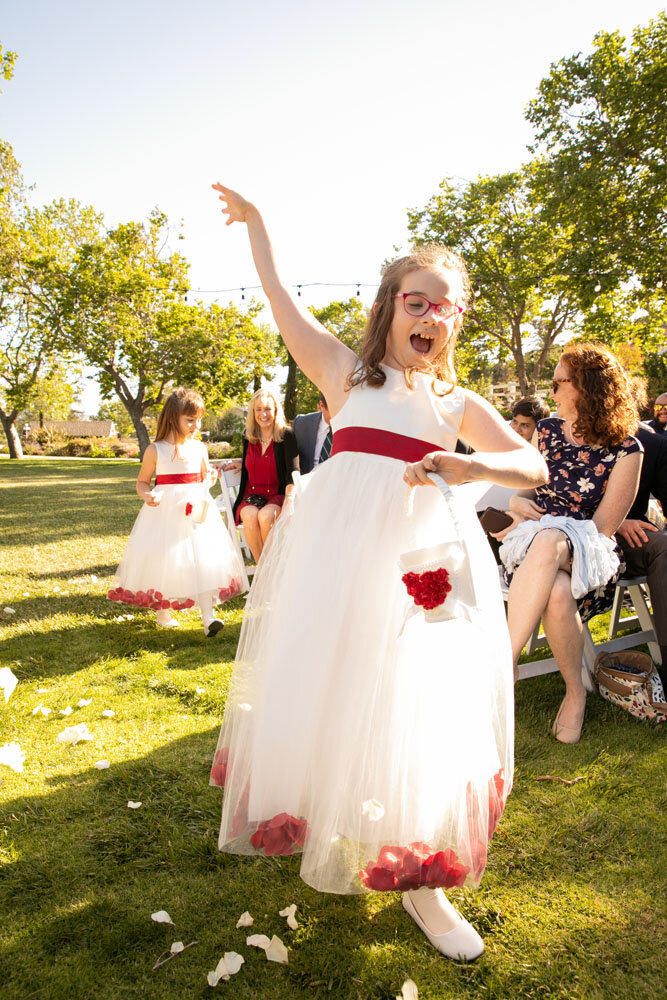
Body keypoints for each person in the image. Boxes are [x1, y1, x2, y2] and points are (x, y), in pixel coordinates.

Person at [208, 184, 547, 961]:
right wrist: (260, 226)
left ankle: (419, 876)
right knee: (337, 683)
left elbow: (527, 466)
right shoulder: (344, 377)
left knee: (413, 700)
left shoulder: (456, 401)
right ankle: (330, 808)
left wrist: (468, 467)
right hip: (339, 563)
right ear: (390, 305)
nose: (429, 317)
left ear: (457, 319)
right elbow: (280, 300)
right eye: (415, 301)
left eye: (445, 307)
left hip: (422, 567)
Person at [497, 344, 643, 744]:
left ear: (588, 389)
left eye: (560, 383)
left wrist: (551, 527)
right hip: (535, 555)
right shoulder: (544, 433)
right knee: (556, 592)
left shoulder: (627, 448)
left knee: (553, 543)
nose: (553, 392)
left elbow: (602, 529)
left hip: (588, 557)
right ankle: (575, 694)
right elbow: (524, 492)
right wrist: (515, 501)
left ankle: (501, 664)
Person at [108, 387, 246, 636]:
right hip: (166, 512)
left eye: (198, 419)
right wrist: (147, 494)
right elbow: (142, 482)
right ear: (174, 418)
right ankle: (163, 613)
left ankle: (209, 618)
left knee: (202, 559)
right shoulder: (155, 450)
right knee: (165, 560)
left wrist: (212, 477)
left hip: (197, 514)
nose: (196, 425)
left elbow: (206, 478)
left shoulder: (199, 449)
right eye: (190, 419)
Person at [615, 420, 667, 688]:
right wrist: (616, 522)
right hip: (574, 539)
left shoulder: (651, 444)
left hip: (633, 542)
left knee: (663, 544)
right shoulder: (563, 436)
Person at [227, 388, 298, 564]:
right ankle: (263, 573)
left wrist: (289, 500)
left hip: (277, 495)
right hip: (252, 496)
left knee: (265, 517)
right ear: (253, 412)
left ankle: (271, 571)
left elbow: (293, 472)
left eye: (267, 409)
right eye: (258, 409)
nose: (263, 414)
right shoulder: (248, 437)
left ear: (275, 410)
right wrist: (240, 464)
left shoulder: (286, 435)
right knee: (250, 516)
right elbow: (251, 462)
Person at [293, 393, 333, 473]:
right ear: (322, 406)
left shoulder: (350, 428)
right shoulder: (301, 424)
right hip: (305, 481)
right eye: (335, 409)